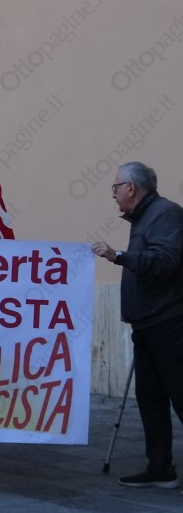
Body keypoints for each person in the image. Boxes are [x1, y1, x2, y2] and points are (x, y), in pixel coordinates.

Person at [91, 161, 183, 490]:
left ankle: (160, 467)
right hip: (147, 323)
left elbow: (165, 262)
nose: (113, 193)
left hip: (169, 323)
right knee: (150, 399)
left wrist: (119, 256)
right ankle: (160, 468)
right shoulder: (145, 216)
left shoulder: (165, 213)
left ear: (131, 187)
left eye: (116, 187)